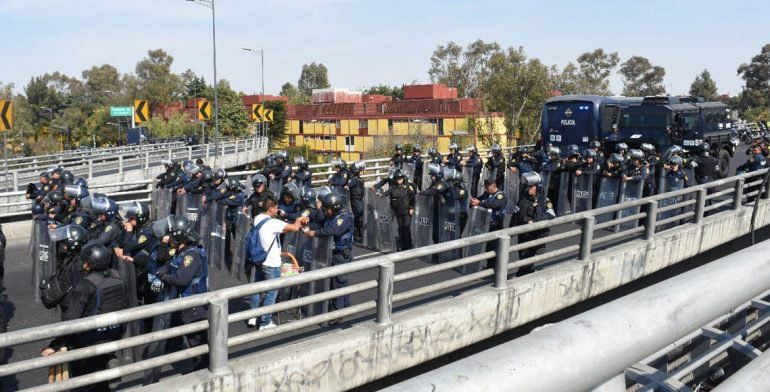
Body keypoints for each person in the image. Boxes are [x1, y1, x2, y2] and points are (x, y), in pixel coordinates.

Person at [41, 243, 129, 391]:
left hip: (90, 338)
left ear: (91, 263)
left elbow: (71, 320)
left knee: (82, 378)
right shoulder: (118, 276)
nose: (83, 263)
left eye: (86, 261)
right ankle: (108, 360)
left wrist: (55, 346)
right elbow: (125, 305)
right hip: (114, 333)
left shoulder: (85, 284)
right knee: (101, 377)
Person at [153, 215, 210, 371]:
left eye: (171, 236)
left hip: (194, 306)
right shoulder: (182, 251)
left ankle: (203, 372)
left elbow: (181, 279)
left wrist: (164, 277)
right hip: (184, 303)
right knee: (186, 337)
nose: (168, 239)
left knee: (197, 343)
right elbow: (169, 264)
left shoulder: (192, 255)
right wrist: (162, 271)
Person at [246, 195, 307, 328]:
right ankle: (265, 322)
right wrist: (298, 219)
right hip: (271, 263)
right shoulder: (273, 223)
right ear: (271, 209)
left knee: (257, 289)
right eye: (276, 208)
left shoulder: (258, 218)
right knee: (271, 293)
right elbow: (295, 228)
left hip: (258, 259)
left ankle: (252, 316)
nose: (277, 210)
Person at [305, 193, 354, 316]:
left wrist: (314, 233)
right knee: (339, 281)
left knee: (338, 282)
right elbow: (322, 223)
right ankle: (345, 306)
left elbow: (332, 230)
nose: (325, 211)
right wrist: (307, 226)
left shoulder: (344, 217)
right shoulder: (333, 215)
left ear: (334, 207)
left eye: (327, 209)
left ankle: (338, 312)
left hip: (341, 254)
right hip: (333, 252)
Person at [511, 172, 556, 276]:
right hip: (523, 233)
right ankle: (525, 273)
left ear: (537, 187)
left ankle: (524, 275)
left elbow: (551, 215)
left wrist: (534, 221)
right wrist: (511, 231)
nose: (528, 189)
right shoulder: (523, 199)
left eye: (531, 187)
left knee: (527, 259)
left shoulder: (544, 201)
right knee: (522, 256)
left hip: (534, 235)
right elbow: (516, 214)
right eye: (528, 186)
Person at [120, 202, 159, 307]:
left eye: (131, 218)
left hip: (150, 269)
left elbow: (127, 247)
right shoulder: (142, 228)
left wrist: (128, 231)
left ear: (140, 218)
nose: (128, 220)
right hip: (143, 265)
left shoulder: (147, 232)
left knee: (149, 297)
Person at [382, 169, 415, 251]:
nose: (399, 180)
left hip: (406, 211)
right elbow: (386, 193)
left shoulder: (407, 187)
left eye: (400, 178)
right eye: (397, 178)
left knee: (406, 228)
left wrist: (411, 208)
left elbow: (412, 197)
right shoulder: (392, 188)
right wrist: (379, 194)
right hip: (397, 211)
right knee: (400, 228)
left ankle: (409, 245)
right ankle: (402, 245)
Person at [347, 161, 366, 242]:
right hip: (356, 200)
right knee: (360, 216)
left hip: (359, 199)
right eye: (360, 170)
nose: (362, 172)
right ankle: (361, 234)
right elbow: (347, 186)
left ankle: (359, 233)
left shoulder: (358, 179)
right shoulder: (354, 179)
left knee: (359, 216)